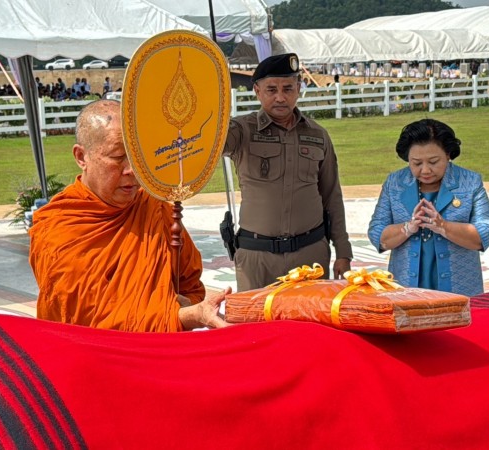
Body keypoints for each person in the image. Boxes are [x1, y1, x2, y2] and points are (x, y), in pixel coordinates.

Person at [29, 99, 228, 332]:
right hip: (94, 360)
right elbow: (90, 323)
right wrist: (186, 316)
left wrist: (188, 305)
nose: (132, 170)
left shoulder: (155, 209)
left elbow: (190, 286)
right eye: (117, 157)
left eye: (137, 156)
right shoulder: (59, 229)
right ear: (81, 157)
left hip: (159, 360)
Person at [223, 53, 353, 292]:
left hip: (310, 255)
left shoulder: (317, 135)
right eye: (271, 90)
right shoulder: (241, 130)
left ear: (299, 89)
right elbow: (211, 144)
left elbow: (331, 195)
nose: (280, 97)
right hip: (257, 259)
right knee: (257, 327)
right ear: (257, 91)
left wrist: (343, 251)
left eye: (288, 88)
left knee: (309, 327)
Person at [368, 119, 489, 296]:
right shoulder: (395, 183)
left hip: (460, 290)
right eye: (417, 163)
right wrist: (407, 228)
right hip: (405, 290)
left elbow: (486, 232)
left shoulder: (470, 182)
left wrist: (444, 227)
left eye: (434, 161)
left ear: (448, 154)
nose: (426, 170)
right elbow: (377, 233)